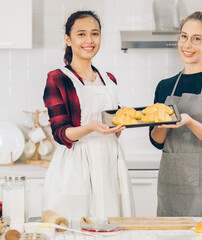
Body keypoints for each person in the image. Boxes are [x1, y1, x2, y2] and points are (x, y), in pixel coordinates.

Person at [42, 10, 135, 220]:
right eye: (81, 34)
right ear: (68, 39)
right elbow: (60, 133)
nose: (89, 40)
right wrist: (91, 127)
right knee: (75, 226)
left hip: (111, 163)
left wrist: (119, 126)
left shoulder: (109, 79)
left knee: (113, 225)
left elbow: (112, 128)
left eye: (95, 33)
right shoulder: (58, 78)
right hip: (76, 165)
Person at [149, 11, 202, 217]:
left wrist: (187, 120)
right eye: (184, 37)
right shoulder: (165, 86)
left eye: (197, 39)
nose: (187, 45)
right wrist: (160, 123)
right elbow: (157, 141)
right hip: (171, 184)